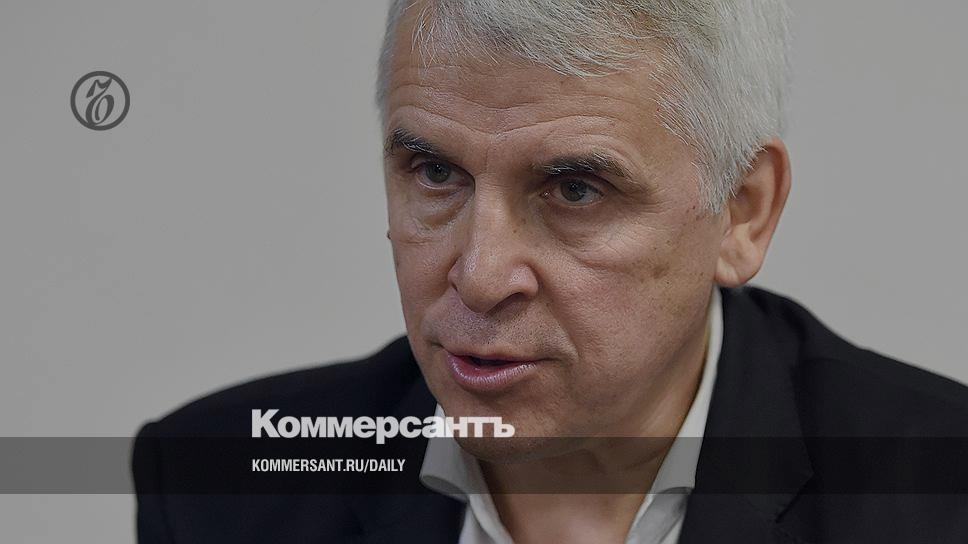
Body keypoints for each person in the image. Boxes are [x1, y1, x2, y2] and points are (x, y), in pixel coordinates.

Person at [132, 1, 968, 542]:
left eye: (575, 189)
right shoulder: (219, 488)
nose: (480, 276)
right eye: (435, 173)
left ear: (742, 213)